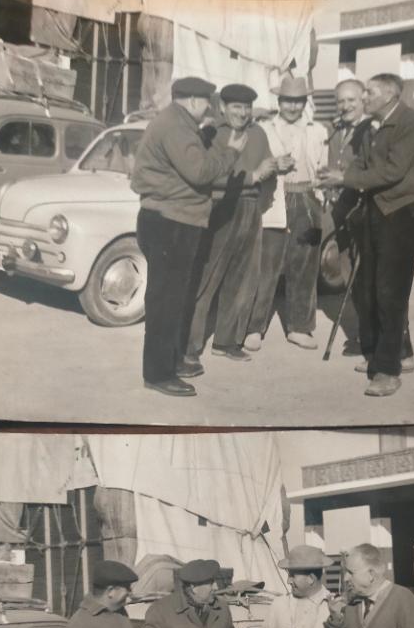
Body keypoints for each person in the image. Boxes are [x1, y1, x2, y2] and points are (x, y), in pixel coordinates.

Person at [131, 77, 247, 397]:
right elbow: (199, 172)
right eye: (207, 102)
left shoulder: (175, 121)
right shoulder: (176, 127)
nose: (209, 108)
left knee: (173, 298)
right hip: (171, 223)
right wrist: (231, 153)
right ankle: (158, 374)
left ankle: (171, 361)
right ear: (194, 101)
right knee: (164, 302)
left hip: (173, 220)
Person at [319, 73, 414, 397]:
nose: (364, 96)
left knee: (389, 288)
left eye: (369, 91)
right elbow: (365, 166)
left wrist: (345, 177)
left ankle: (387, 370)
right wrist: (344, 178)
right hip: (377, 207)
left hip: (405, 210)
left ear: (389, 94)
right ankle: (401, 353)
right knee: (371, 283)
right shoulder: (374, 126)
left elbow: (392, 172)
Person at [181, 84, 277, 376]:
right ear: (222, 107)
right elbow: (206, 176)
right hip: (219, 208)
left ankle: (227, 342)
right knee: (206, 279)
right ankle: (188, 349)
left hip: (250, 209)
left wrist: (274, 167)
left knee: (244, 279)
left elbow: (266, 166)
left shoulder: (259, 133)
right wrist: (253, 176)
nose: (242, 112)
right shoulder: (211, 133)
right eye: (236, 106)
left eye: (246, 107)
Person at [243, 74, 328, 353]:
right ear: (279, 101)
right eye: (288, 101)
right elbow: (253, 162)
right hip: (275, 198)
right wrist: (272, 164)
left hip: (307, 198)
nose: (292, 107)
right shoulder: (264, 129)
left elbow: (322, 167)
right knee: (266, 266)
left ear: (305, 102)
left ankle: (300, 327)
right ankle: (254, 328)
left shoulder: (318, 130)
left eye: (298, 101)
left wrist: (322, 191)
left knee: (304, 266)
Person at [324, 78, 369, 356]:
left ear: (364, 98)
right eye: (341, 100)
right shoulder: (336, 130)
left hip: (363, 207)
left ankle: (372, 336)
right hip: (340, 209)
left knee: (367, 274)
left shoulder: (370, 130)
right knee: (347, 269)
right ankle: (362, 333)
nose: (346, 105)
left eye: (351, 99)